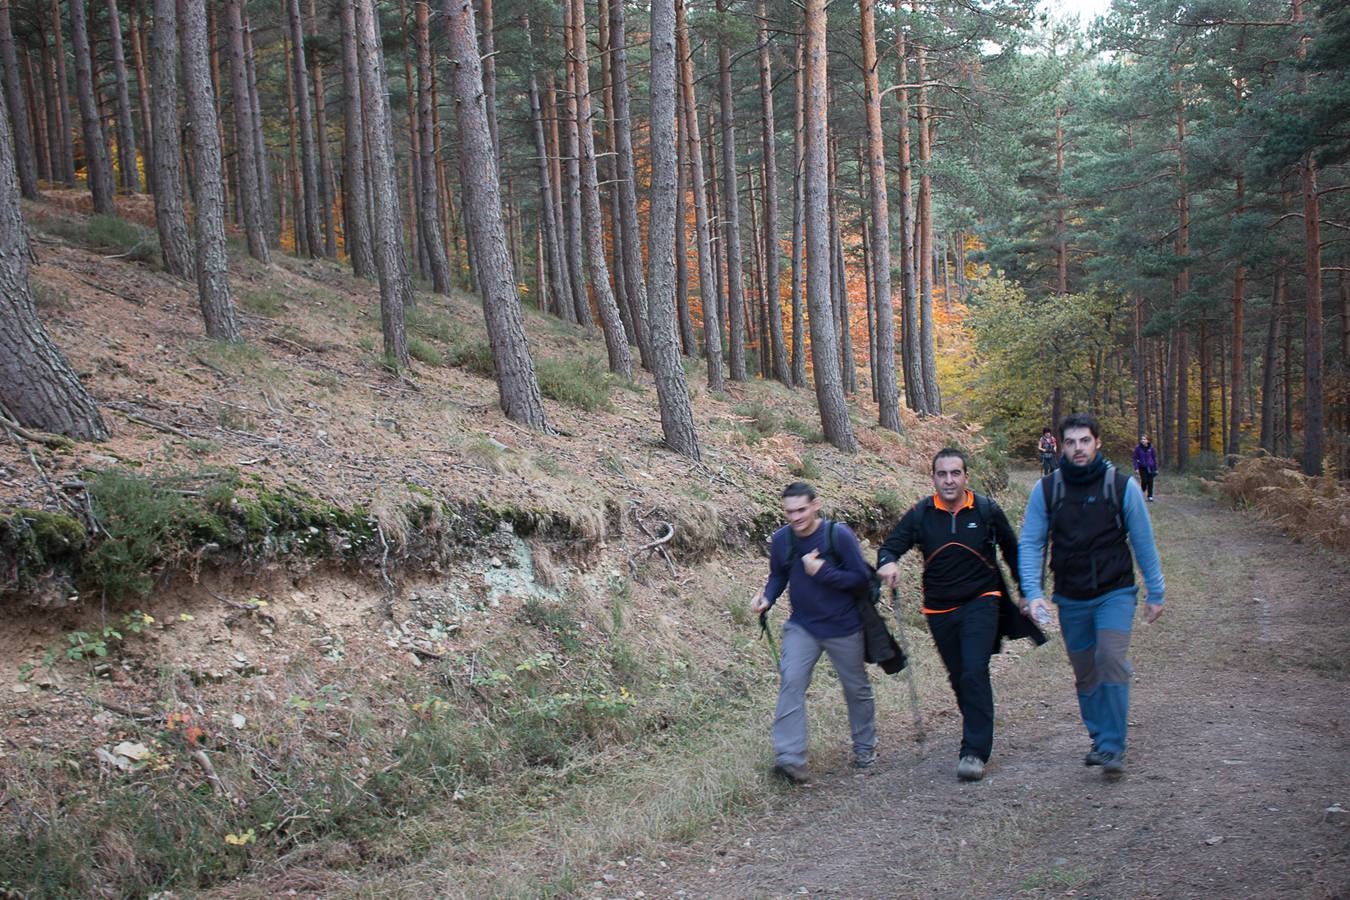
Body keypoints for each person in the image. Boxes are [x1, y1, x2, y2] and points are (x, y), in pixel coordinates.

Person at [876, 449, 1043, 782]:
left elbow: (1012, 551)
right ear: (934, 478)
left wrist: (1026, 593)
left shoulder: (985, 510)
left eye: (955, 473)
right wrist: (888, 562)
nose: (949, 480)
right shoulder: (921, 513)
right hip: (939, 609)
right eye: (942, 474)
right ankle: (977, 724)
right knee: (958, 676)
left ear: (966, 476)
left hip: (983, 600)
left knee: (974, 670)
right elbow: (890, 546)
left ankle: (974, 751)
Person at [1019, 413, 1165, 778]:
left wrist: (1156, 590)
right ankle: (1100, 740)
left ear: (1096, 443)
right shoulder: (1048, 490)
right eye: (1070, 442)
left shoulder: (1121, 487)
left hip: (1115, 592)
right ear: (1061, 446)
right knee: (1085, 672)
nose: (1078, 448)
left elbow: (1143, 541)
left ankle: (1113, 747)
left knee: (1110, 659)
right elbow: (1032, 542)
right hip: (1070, 596)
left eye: (1085, 440)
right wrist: (1033, 592)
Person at [751, 482, 877, 782]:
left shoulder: (838, 535)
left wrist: (823, 571)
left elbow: (860, 579)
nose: (795, 517)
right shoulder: (782, 539)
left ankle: (865, 747)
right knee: (791, 682)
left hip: (844, 626)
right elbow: (778, 574)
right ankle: (790, 759)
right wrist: (767, 597)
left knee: (856, 688)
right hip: (802, 626)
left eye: (801, 510)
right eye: (789, 512)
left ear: (816, 505)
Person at [1132, 434, 1158, 501]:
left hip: (1150, 467)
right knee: (1144, 481)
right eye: (1142, 439)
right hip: (1142, 467)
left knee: (1150, 482)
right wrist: (1136, 468)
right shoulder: (1138, 448)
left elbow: (1154, 458)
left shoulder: (1151, 448)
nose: (1143, 440)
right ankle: (1141, 491)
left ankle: (1150, 496)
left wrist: (1156, 468)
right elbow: (1135, 458)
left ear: (1148, 440)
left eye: (1144, 439)